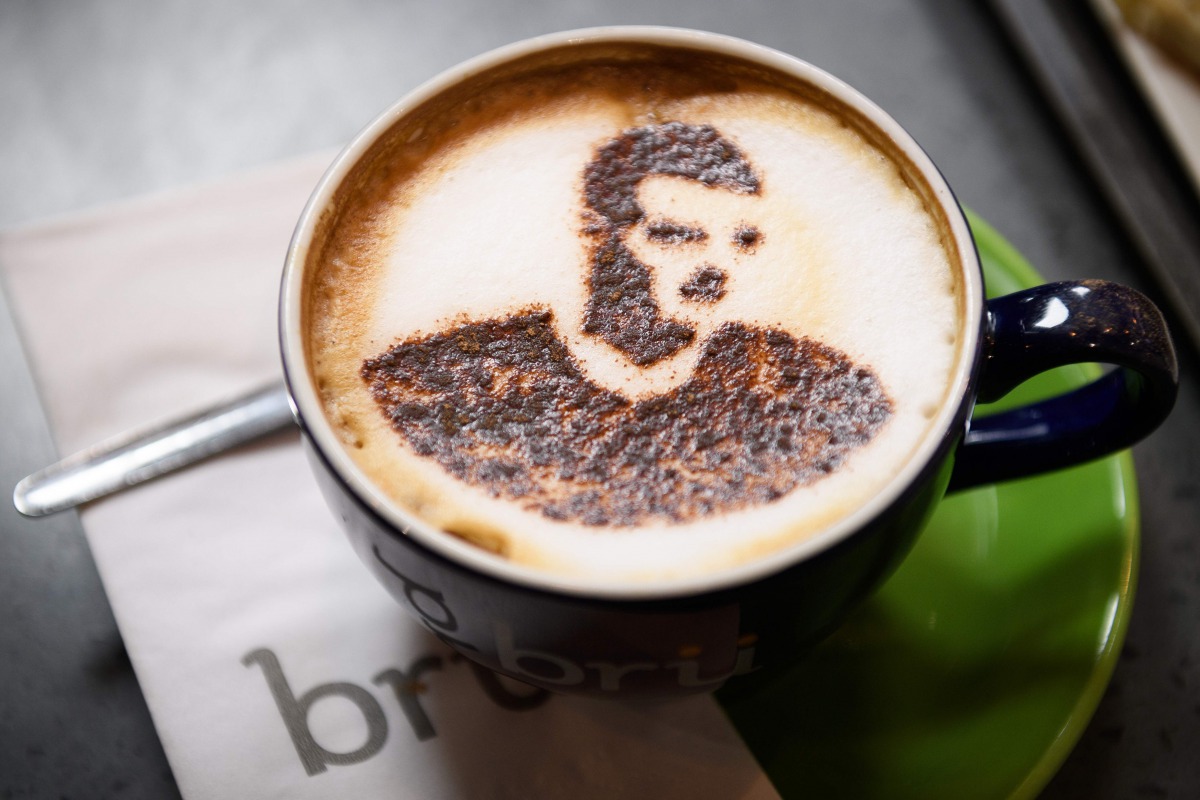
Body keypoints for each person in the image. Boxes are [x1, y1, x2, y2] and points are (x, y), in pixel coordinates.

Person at [361, 121, 892, 527]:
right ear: (598, 234)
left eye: (742, 241)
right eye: (676, 236)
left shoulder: (815, 389)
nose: (715, 267)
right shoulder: (437, 384)